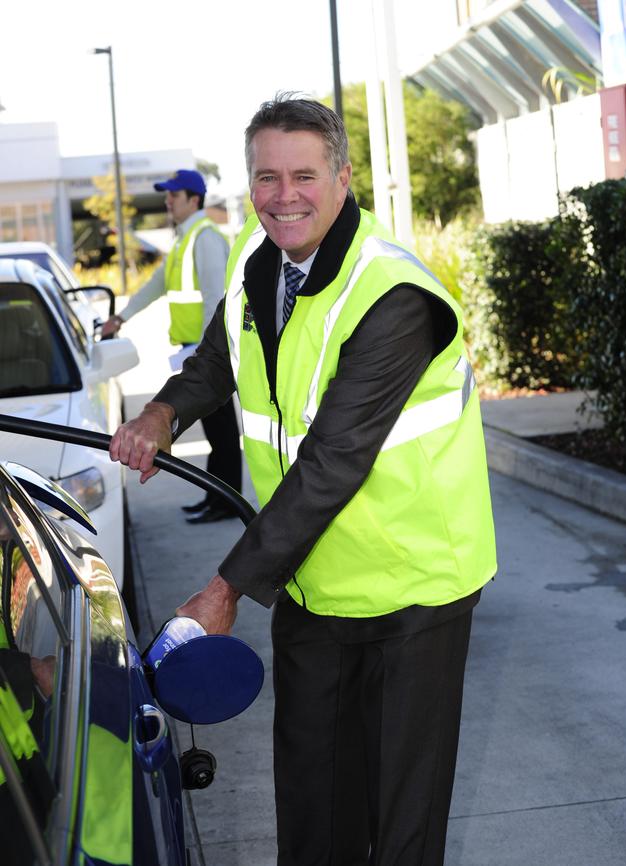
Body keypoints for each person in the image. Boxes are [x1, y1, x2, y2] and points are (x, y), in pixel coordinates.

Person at [109, 95, 497, 865]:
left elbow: (333, 461)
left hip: (415, 590)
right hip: (317, 582)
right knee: (312, 803)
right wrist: (162, 414)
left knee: (400, 823)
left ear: (343, 178)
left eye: (304, 176)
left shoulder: (392, 297)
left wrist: (224, 590)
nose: (284, 196)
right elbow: (219, 357)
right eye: (266, 177)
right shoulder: (264, 268)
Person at [102, 169, 242, 522]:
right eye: (167, 195)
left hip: (209, 356)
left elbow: (216, 299)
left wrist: (208, 354)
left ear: (193, 199)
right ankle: (216, 498)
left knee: (223, 433)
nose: (167, 201)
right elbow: (155, 285)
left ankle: (225, 502)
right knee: (215, 431)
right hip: (196, 351)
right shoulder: (185, 238)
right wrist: (121, 317)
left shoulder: (205, 237)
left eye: (173, 195)